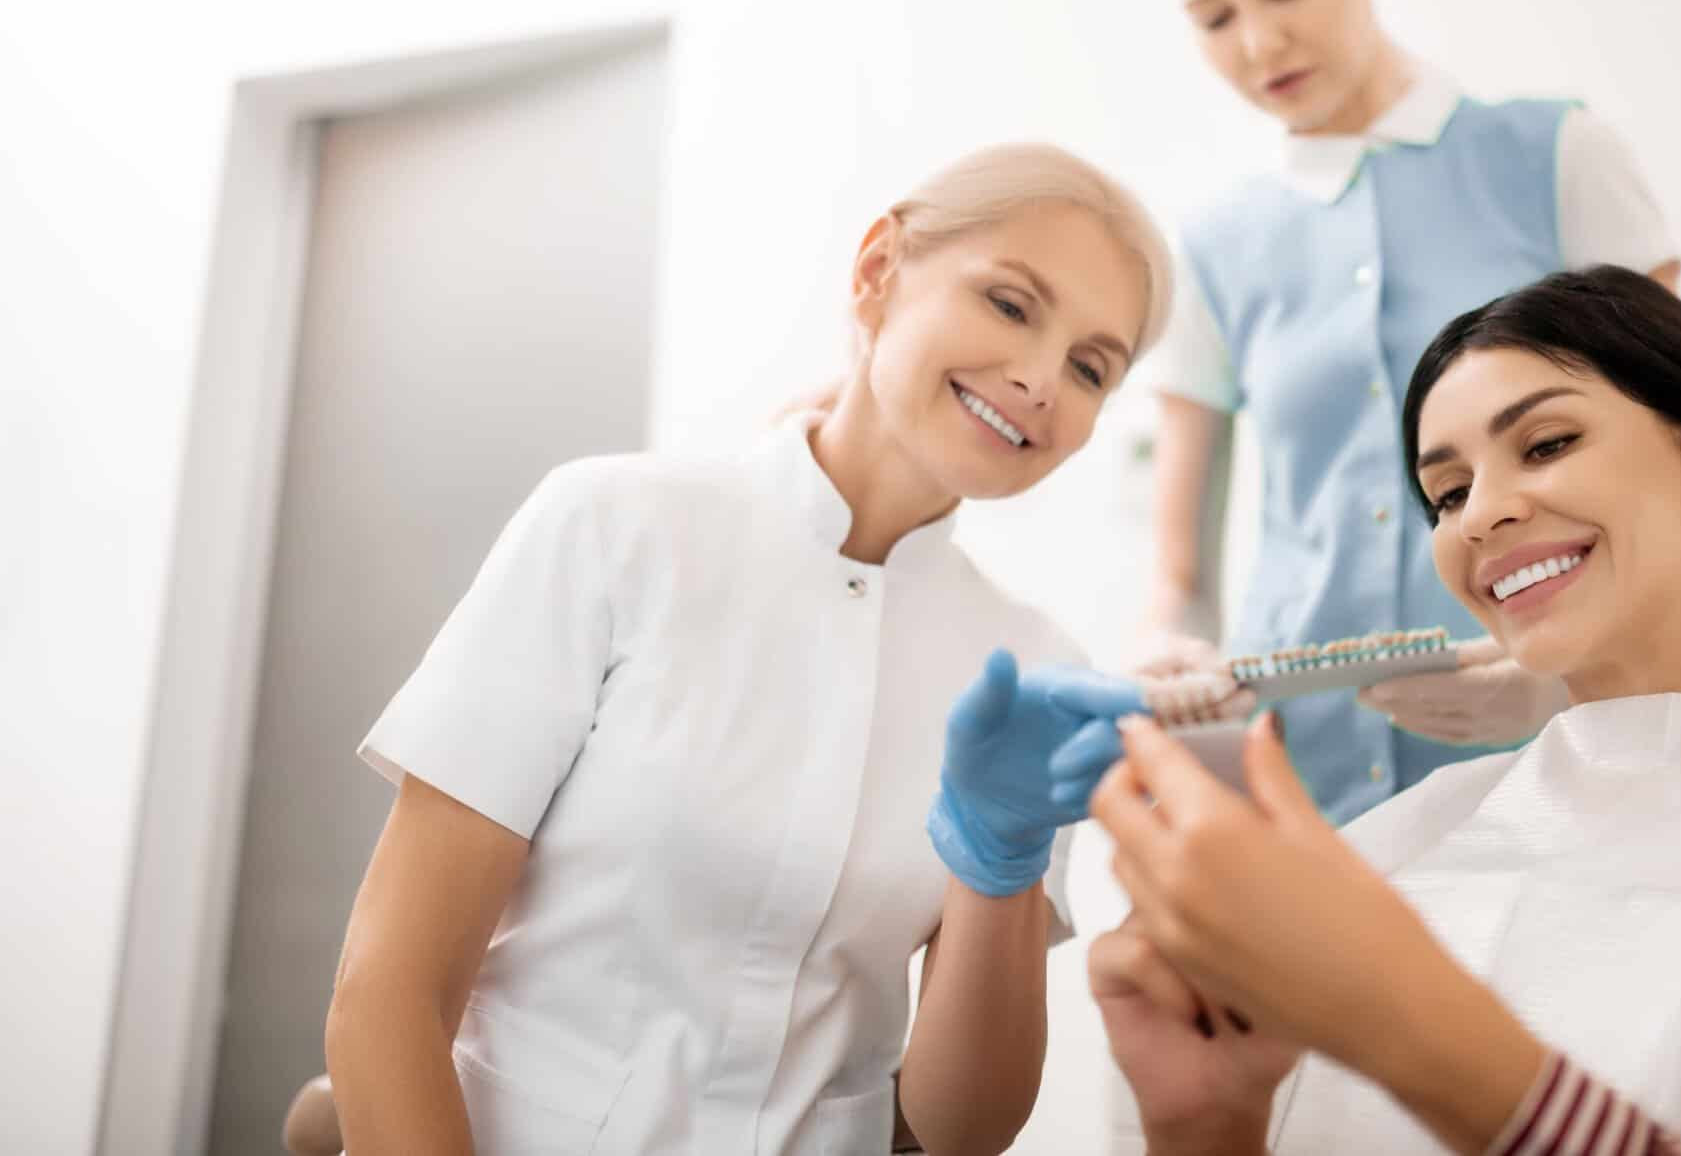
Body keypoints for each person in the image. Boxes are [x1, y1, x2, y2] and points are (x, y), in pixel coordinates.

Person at [321, 143, 1173, 1156]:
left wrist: (1000, 862)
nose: (1039, 377)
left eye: (1089, 367)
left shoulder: (1033, 669)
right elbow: (388, 994)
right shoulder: (614, 526)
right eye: (1009, 304)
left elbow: (958, 1129)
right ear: (877, 270)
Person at [1074, 268, 1681, 1153]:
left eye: (1547, 444)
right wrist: (1206, 1130)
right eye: (1447, 492)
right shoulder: (1388, 853)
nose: (1478, 517)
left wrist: (1410, 1024)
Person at [1135, 0, 1681, 820]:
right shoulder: (1211, 248)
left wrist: (1561, 678)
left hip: (1556, 760)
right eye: (1212, 16)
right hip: (1296, 786)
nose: (1258, 44)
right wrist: (1174, 654)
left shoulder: (1557, 158)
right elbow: (1181, 571)